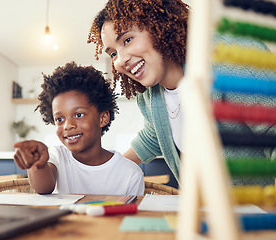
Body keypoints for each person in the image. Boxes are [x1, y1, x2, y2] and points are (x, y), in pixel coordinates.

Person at [87, 0, 276, 187]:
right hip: (202, 212)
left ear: (158, 26)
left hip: (255, 210)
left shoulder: (227, 59)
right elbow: (154, 136)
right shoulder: (149, 97)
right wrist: (106, 171)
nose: (120, 61)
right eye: (112, 54)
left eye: (127, 40)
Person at [13, 62, 145, 195]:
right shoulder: (57, 157)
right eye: (59, 119)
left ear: (103, 118)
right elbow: (43, 188)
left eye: (79, 115)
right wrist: (38, 165)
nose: (67, 125)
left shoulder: (130, 173)